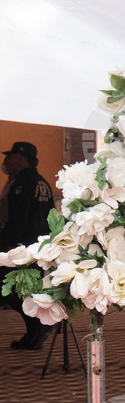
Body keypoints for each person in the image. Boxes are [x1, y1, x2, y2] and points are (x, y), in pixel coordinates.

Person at [0, 141, 56, 350]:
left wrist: (7, 244)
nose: (5, 161)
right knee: (25, 290)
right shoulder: (41, 182)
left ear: (21, 158)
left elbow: (18, 218)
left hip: (21, 248)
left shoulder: (22, 183)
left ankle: (39, 325)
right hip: (39, 247)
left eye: (10, 157)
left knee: (11, 290)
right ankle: (35, 331)